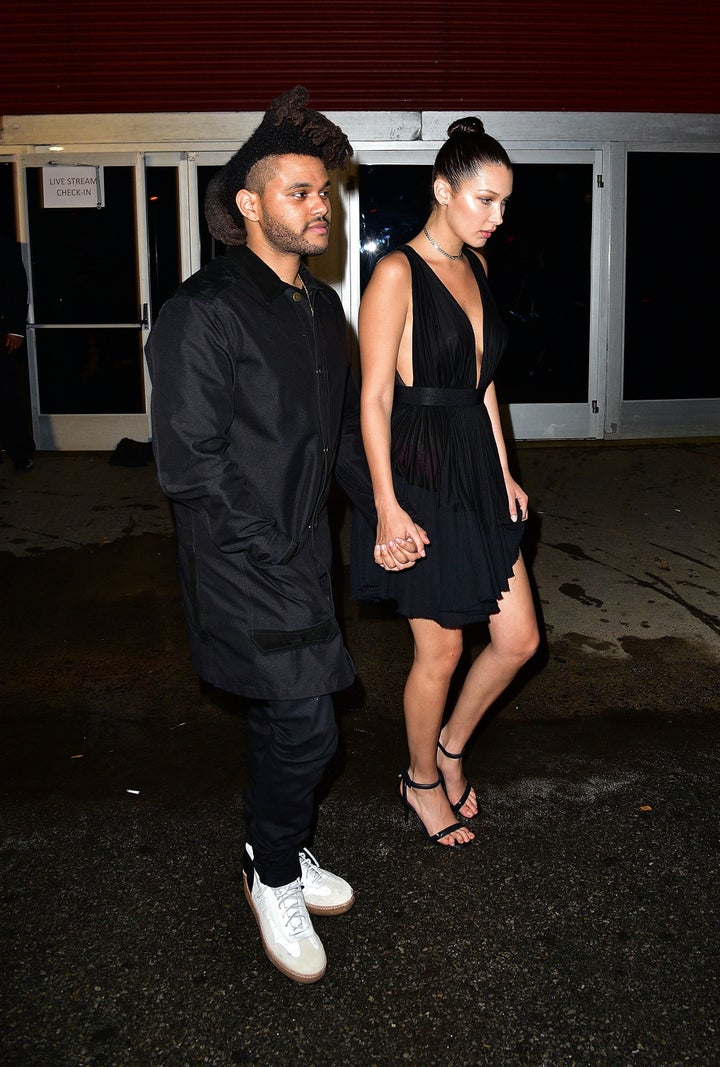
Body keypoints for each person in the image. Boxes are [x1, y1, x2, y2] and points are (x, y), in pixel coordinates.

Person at [146, 88, 422, 984]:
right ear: (249, 203)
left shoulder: (318, 312)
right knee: (308, 725)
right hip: (239, 556)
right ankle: (270, 871)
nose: (321, 207)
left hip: (303, 550)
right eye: (301, 191)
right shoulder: (203, 310)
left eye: (325, 193)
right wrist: (265, 547)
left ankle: (282, 842)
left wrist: (384, 509)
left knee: (290, 719)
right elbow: (190, 463)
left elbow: (339, 437)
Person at [351, 116, 540, 849]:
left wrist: (505, 471)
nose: (497, 218)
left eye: (504, 204)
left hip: (475, 466)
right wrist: (385, 507)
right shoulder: (396, 272)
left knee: (519, 638)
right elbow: (372, 398)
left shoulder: (479, 268)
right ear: (442, 188)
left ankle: (451, 748)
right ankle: (420, 777)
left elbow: (484, 384)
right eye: (485, 200)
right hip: (420, 469)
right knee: (441, 651)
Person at [0, 233, 35, 471]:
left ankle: (21, 454)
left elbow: (15, 286)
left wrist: (15, 329)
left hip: (2, 333)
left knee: (8, 395)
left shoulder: (5, 247)